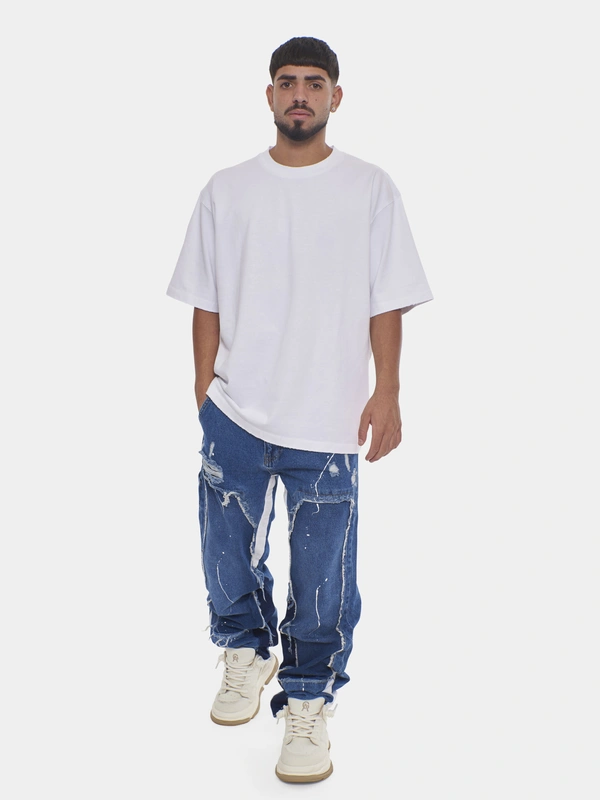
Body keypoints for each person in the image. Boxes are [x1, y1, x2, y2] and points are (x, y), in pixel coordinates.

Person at [166, 35, 433, 783]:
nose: (300, 95)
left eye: (315, 83)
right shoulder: (227, 189)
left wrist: (388, 390)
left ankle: (309, 701)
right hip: (236, 408)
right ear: (269, 95)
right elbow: (204, 298)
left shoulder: (370, 187)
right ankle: (244, 648)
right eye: (287, 82)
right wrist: (204, 393)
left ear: (335, 97)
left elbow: (387, 299)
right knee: (224, 551)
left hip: (329, 416)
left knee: (323, 576)